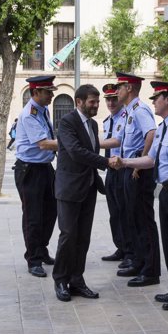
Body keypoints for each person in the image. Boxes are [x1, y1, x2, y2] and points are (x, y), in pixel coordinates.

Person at [116, 81, 168, 310]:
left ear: (167, 99)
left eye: (156, 98)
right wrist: (126, 162)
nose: (153, 102)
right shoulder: (163, 127)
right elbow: (151, 159)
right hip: (166, 191)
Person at [53, 84, 116, 302]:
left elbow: (88, 153)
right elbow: (76, 152)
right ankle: (61, 279)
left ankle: (77, 280)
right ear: (79, 102)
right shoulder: (67, 123)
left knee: (82, 237)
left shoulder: (92, 124)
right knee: (68, 235)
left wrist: (99, 182)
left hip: (87, 188)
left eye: (97, 102)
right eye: (92, 102)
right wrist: (106, 162)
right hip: (69, 189)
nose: (96, 105)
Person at [114, 72, 160, 287]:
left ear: (129, 88)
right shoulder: (129, 112)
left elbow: (151, 132)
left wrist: (142, 157)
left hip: (137, 170)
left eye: (120, 87)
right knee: (133, 218)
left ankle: (149, 270)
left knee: (143, 220)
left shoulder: (140, 110)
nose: (117, 91)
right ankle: (139, 261)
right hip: (129, 167)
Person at [13, 75, 59, 278]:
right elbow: (43, 143)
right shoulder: (30, 114)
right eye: (47, 92)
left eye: (51, 91)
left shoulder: (42, 109)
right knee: (33, 217)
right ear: (35, 93)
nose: (51, 95)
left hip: (44, 167)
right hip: (29, 170)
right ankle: (33, 259)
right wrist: (71, 143)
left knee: (51, 211)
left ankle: (41, 249)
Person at [98, 83, 127, 263]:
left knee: (124, 211)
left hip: (123, 168)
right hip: (111, 169)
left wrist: (92, 143)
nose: (111, 103)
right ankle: (120, 247)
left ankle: (129, 250)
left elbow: (117, 141)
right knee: (114, 212)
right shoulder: (108, 120)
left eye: (114, 99)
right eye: (108, 99)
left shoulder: (125, 117)